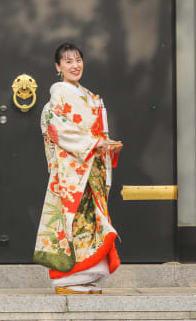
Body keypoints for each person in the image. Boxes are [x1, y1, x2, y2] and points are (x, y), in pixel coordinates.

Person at [32, 42, 123, 294]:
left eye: (78, 60)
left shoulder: (90, 96)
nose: (75, 65)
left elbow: (96, 133)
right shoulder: (57, 97)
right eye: (68, 61)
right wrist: (95, 143)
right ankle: (66, 279)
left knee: (92, 223)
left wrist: (106, 146)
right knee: (75, 223)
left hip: (90, 167)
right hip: (73, 173)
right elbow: (59, 131)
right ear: (58, 67)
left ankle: (83, 278)